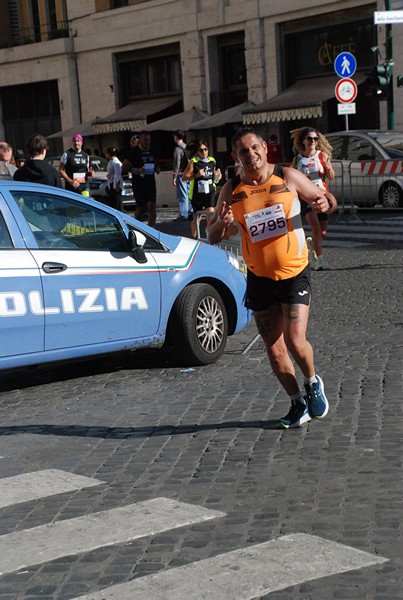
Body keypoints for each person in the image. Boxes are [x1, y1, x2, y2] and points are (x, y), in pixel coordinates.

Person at [207, 127, 337, 429]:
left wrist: (325, 203)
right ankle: (296, 403)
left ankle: (312, 380)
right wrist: (222, 225)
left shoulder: (287, 176)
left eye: (254, 148)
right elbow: (213, 235)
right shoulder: (231, 189)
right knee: (275, 350)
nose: (250, 155)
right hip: (260, 279)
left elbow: (326, 197)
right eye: (243, 151)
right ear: (236, 157)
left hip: (294, 274)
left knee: (294, 340)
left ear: (265, 148)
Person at [290, 126, 335, 271]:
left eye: (315, 139)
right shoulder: (297, 159)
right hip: (305, 197)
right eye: (310, 139)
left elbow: (331, 177)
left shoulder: (323, 156)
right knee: (314, 226)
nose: (313, 141)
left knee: (322, 232)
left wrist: (328, 167)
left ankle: (314, 243)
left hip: (321, 196)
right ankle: (319, 260)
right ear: (303, 141)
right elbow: (292, 178)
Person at [182, 139, 221, 238]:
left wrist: (217, 176)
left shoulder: (212, 161)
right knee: (197, 217)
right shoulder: (193, 162)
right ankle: (194, 238)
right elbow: (184, 177)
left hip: (210, 191)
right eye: (201, 150)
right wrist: (196, 175)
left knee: (210, 214)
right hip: (197, 194)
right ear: (197, 152)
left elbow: (215, 174)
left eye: (205, 149)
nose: (204, 152)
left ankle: (211, 237)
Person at [122, 130, 160, 227]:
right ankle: (137, 224)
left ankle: (152, 229)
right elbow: (124, 166)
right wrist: (137, 170)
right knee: (142, 208)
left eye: (149, 139)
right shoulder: (134, 151)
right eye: (145, 140)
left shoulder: (152, 150)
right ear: (140, 140)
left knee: (152, 205)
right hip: (139, 183)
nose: (148, 142)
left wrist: (156, 168)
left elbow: (154, 162)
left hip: (150, 182)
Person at [172, 130, 193, 222]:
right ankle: (190, 212)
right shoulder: (186, 147)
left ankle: (183, 214)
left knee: (182, 194)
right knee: (189, 193)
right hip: (189, 173)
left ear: (175, 137)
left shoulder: (177, 149)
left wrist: (174, 176)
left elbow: (177, 163)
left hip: (181, 174)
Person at [105, 146, 124, 211]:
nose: (106, 155)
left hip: (115, 185)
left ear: (109, 154)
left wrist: (117, 186)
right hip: (111, 183)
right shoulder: (111, 161)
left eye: (107, 153)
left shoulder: (116, 162)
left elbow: (118, 174)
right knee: (112, 203)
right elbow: (112, 173)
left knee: (116, 203)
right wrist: (109, 176)